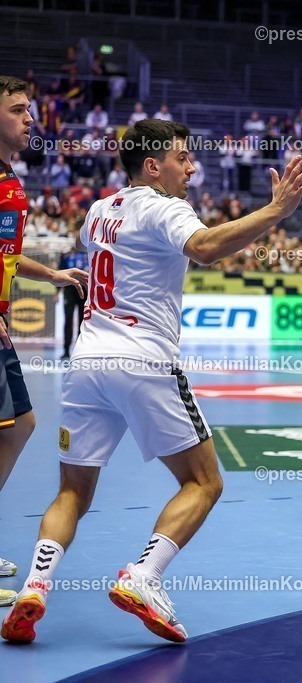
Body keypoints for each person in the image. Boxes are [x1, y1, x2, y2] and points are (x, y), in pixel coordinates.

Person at [1, 119, 302, 643]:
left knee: (72, 492)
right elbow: (207, 247)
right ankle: (143, 576)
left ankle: (35, 586)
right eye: (182, 158)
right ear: (153, 166)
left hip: (86, 363)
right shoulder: (164, 206)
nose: (191, 168)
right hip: (143, 359)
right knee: (205, 482)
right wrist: (276, 211)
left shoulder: (99, 211)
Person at [0, 76, 89, 606]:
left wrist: (52, 275)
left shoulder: (10, 176)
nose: (29, 119)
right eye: (16, 110)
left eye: (29, 110)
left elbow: (5, 253)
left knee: (21, 426)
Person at [59, 243, 88, 360]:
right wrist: (57, 292)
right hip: (69, 288)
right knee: (68, 319)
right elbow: (60, 271)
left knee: (83, 321)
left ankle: (79, 350)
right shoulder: (67, 253)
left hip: (85, 289)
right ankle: (66, 350)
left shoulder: (90, 252)